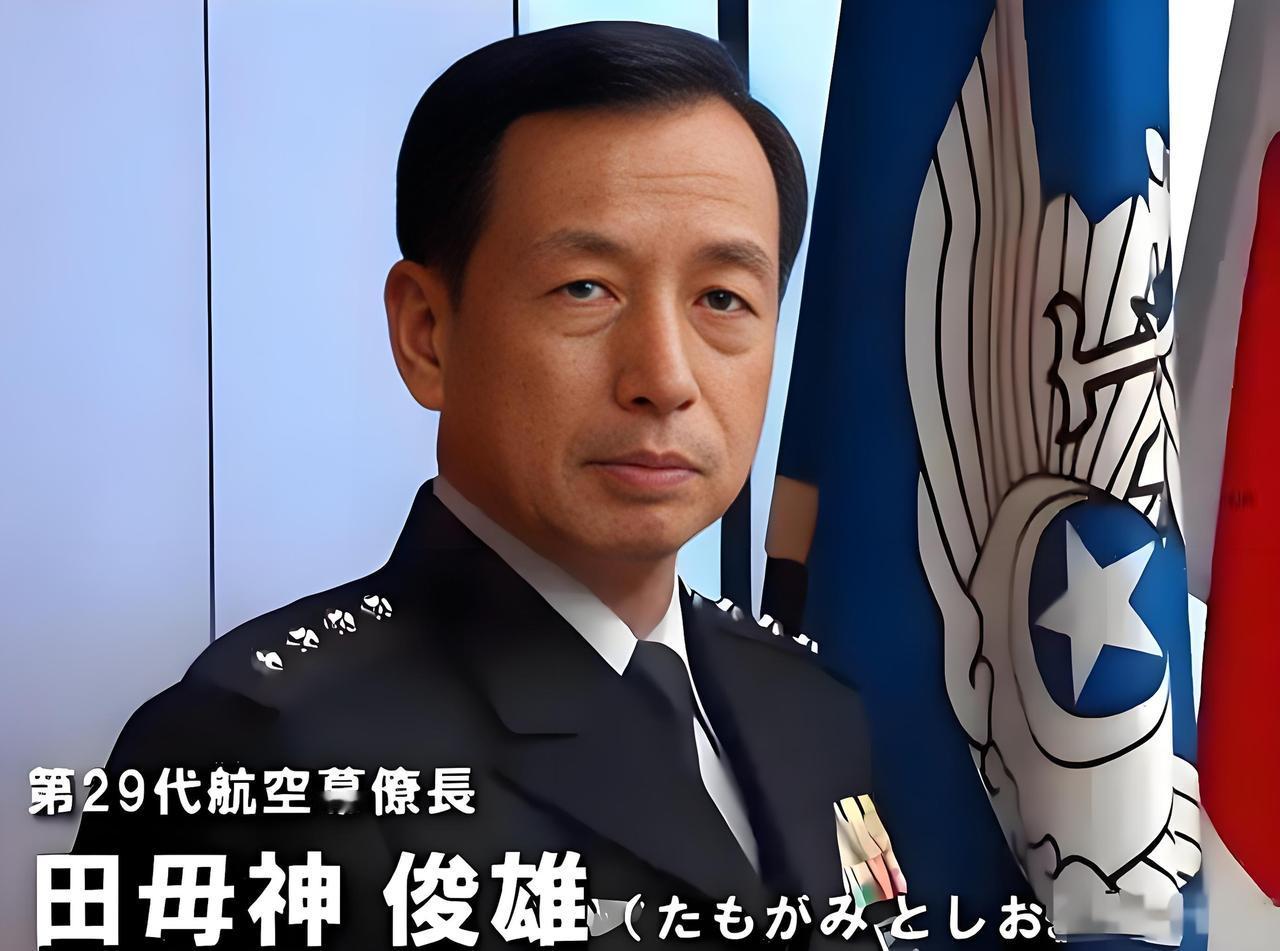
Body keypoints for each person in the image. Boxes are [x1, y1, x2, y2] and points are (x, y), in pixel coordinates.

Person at [71, 21, 898, 948]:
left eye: (721, 299)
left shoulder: (811, 703)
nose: (665, 378)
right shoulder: (258, 752)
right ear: (427, 333)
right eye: (586, 288)